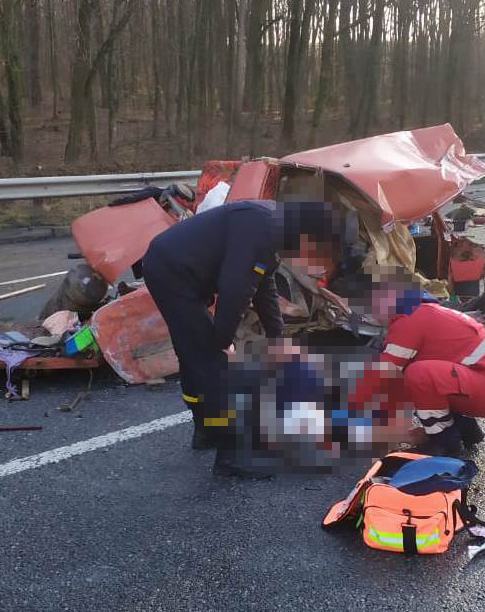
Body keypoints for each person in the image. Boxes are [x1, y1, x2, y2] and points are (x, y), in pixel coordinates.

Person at [141, 200, 341, 477]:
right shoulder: (263, 229)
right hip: (172, 271)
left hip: (182, 268)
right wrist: (223, 342)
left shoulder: (276, 230)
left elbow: (264, 285)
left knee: (193, 352)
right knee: (212, 363)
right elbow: (235, 291)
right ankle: (231, 457)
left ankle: (206, 431)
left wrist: (278, 338)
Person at [347, 280, 485, 457]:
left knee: (418, 376)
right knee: (419, 377)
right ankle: (466, 429)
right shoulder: (423, 313)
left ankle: (444, 443)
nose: (372, 317)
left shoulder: (409, 320)